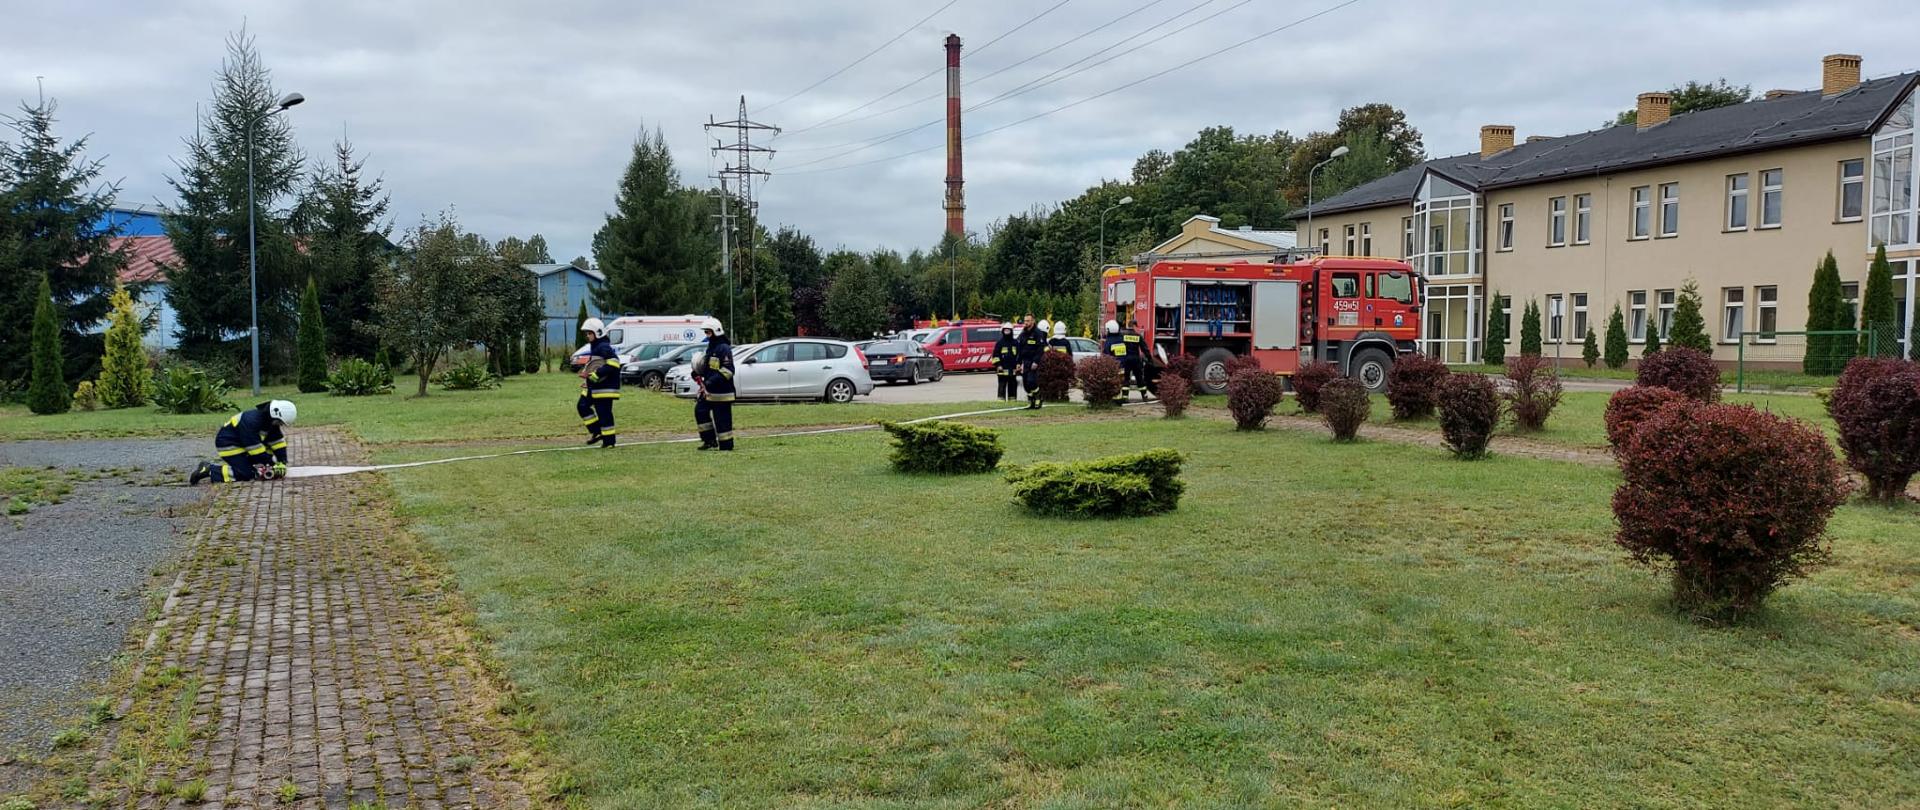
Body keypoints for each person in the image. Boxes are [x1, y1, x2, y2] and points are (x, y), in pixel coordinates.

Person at [189, 400, 297, 484]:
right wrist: (272, 464)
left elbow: (277, 442)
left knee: (257, 466)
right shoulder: (251, 421)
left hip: (243, 445)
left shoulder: (269, 421)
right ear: (274, 415)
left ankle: (247, 466)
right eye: (279, 422)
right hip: (228, 445)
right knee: (246, 474)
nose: (279, 425)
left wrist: (282, 462)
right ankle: (210, 470)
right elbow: (255, 450)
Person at [576, 318, 621, 448]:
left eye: (589, 333)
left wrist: (596, 375)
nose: (587, 336)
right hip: (595, 386)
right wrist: (587, 378)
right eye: (587, 333)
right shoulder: (596, 347)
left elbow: (614, 363)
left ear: (598, 333)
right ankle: (597, 431)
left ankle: (609, 442)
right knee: (582, 406)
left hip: (604, 389)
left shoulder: (603, 347)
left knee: (604, 414)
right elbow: (595, 365)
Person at [693, 316, 736, 451]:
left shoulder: (724, 348)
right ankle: (709, 440)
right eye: (706, 332)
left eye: (708, 332)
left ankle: (726, 445)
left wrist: (712, 381)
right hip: (710, 391)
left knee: (721, 420)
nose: (707, 335)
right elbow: (709, 367)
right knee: (700, 411)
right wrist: (697, 373)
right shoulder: (711, 348)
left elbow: (729, 370)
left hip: (723, 393)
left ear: (716, 331)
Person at [1103, 318, 1150, 402]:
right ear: (1134, 326)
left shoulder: (1122, 335)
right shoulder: (1137, 336)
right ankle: (1144, 396)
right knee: (1139, 378)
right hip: (1136, 359)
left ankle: (1125, 397)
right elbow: (1145, 348)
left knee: (1126, 378)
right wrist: (1149, 358)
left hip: (1125, 359)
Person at [1017, 316, 1048, 410]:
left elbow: (1040, 349)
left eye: (1028, 321)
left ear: (1033, 321)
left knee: (1031, 381)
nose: (1026, 322)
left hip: (1034, 361)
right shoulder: (1023, 333)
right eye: (1025, 321)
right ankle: (1032, 401)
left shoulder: (1038, 333)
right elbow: (1020, 349)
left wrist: (1036, 361)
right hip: (1025, 362)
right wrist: (1018, 363)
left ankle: (1039, 397)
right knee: (1026, 384)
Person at [992, 322, 1020, 401]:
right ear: (1003, 331)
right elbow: (995, 355)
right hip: (1002, 370)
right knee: (1002, 385)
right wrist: (998, 365)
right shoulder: (999, 343)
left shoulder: (1016, 343)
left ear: (1012, 331)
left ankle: (1012, 400)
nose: (1007, 332)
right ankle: (1001, 400)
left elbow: (1019, 355)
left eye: (1008, 331)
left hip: (1013, 370)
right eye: (1005, 331)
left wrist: (1018, 364)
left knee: (1013, 385)